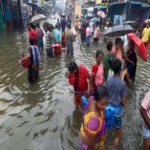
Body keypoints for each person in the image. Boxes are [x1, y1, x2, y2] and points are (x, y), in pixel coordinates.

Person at [106, 58, 128, 148]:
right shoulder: (122, 84)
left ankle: (107, 144)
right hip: (117, 111)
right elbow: (124, 101)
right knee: (118, 133)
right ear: (120, 69)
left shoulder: (108, 80)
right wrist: (122, 104)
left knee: (108, 128)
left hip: (107, 109)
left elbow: (106, 95)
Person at [80, 85, 108, 150]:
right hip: (91, 144)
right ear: (95, 101)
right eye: (102, 104)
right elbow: (91, 146)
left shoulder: (92, 98)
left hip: (85, 133)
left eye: (107, 103)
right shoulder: (94, 121)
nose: (105, 107)